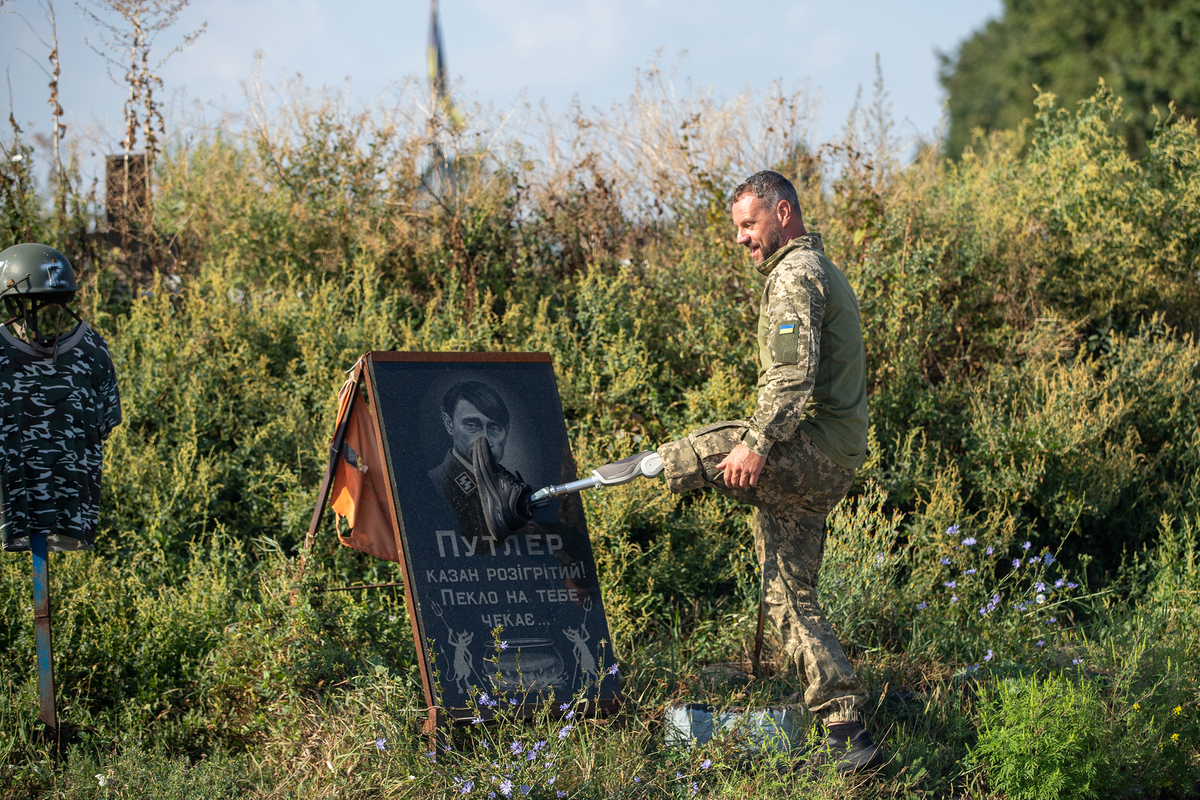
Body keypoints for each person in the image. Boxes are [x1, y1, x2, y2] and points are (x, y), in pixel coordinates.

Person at [655, 170, 885, 773]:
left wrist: (755, 444)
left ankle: (586, 482)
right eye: (737, 228)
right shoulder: (822, 268)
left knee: (708, 448)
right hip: (836, 457)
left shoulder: (794, 274)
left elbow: (791, 378)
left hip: (813, 450)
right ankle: (848, 733)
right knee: (788, 595)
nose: (741, 239)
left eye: (749, 225)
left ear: (783, 213)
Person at [428, 380, 515, 546]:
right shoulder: (432, 484)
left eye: (494, 427)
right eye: (472, 425)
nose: (484, 439)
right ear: (449, 424)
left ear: (507, 430)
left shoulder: (524, 491)